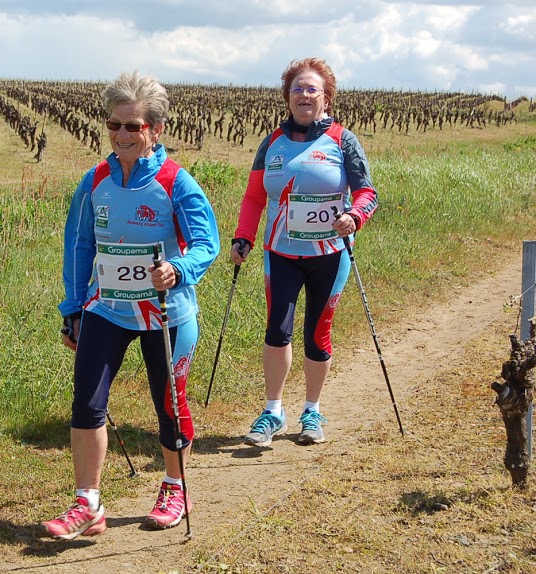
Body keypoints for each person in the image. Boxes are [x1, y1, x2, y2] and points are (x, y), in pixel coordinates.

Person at [41, 71, 220, 540]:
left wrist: (178, 269)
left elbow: (206, 242)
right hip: (108, 309)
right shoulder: (95, 179)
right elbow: (79, 246)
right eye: (114, 125)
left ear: (154, 129)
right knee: (87, 403)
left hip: (166, 313)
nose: (121, 135)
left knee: (169, 405)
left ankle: (174, 486)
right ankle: (88, 505)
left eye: (133, 126)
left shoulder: (175, 181)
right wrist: (73, 307)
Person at [230, 58, 378, 448]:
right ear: (287, 98)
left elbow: (367, 194)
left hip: (330, 253)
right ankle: (272, 411)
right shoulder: (272, 142)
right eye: (297, 89)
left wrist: (353, 216)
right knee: (277, 331)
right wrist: (242, 237)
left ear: (326, 98)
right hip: (280, 252)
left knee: (317, 333)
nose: (304, 95)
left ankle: (312, 410)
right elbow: (253, 196)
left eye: (312, 89)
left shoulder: (343, 140)